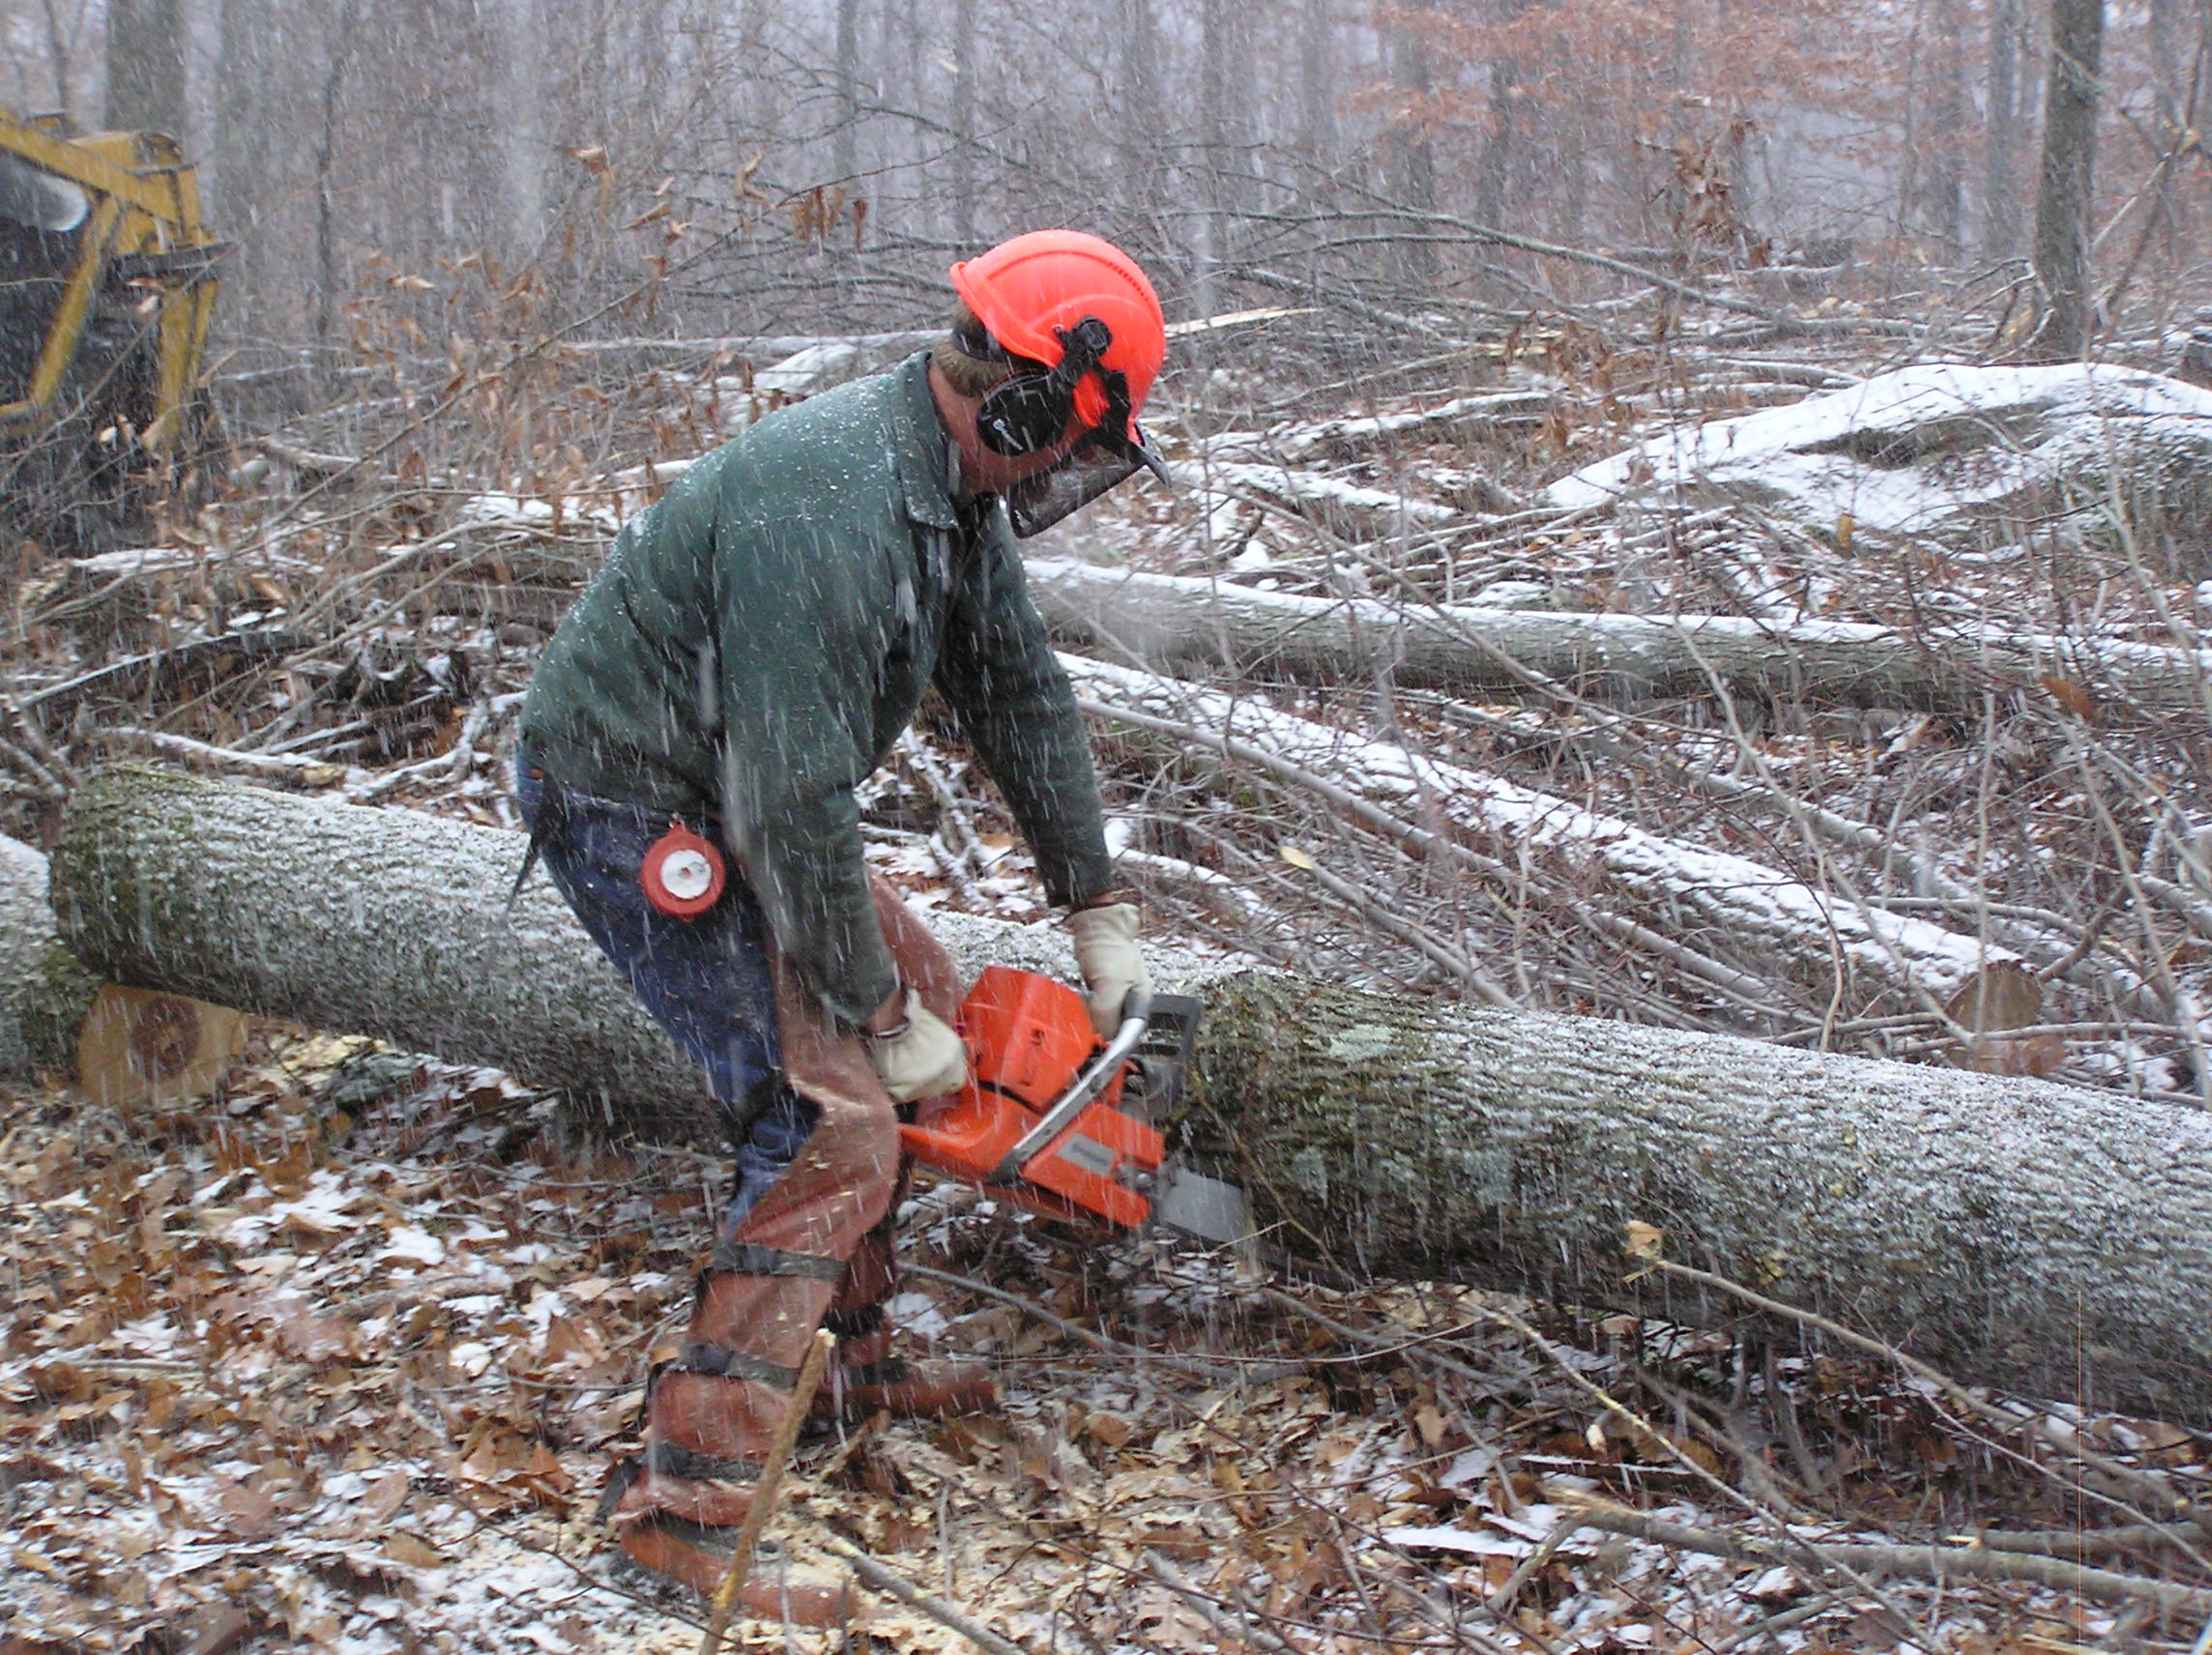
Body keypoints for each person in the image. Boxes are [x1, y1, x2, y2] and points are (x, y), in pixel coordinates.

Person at [513, 230, 1170, 1595]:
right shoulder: (831, 504)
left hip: (733, 789)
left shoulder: (948, 492)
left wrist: (1093, 897)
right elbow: (788, 798)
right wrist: (873, 1013)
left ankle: (843, 1364)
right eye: (1063, 441)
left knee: (920, 999)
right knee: (831, 1114)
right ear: (1022, 401)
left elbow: (1019, 691)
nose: (1058, 469)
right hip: (640, 797)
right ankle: (683, 1512)